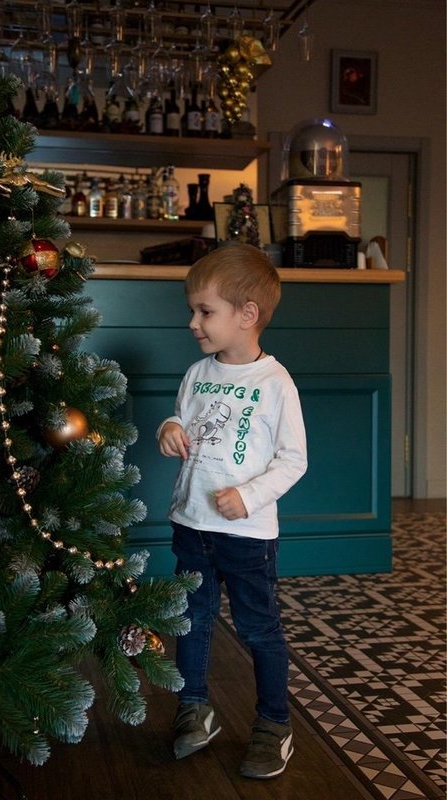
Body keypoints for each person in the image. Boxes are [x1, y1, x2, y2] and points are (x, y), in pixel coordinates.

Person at [156, 242, 307, 780]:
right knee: (192, 621)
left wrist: (249, 496)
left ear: (247, 315)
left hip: (247, 535)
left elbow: (294, 461)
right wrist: (170, 428)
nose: (193, 323)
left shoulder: (275, 384)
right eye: (193, 311)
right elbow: (181, 417)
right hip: (191, 525)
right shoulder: (198, 373)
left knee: (259, 628)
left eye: (205, 311)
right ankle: (193, 707)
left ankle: (274, 724)